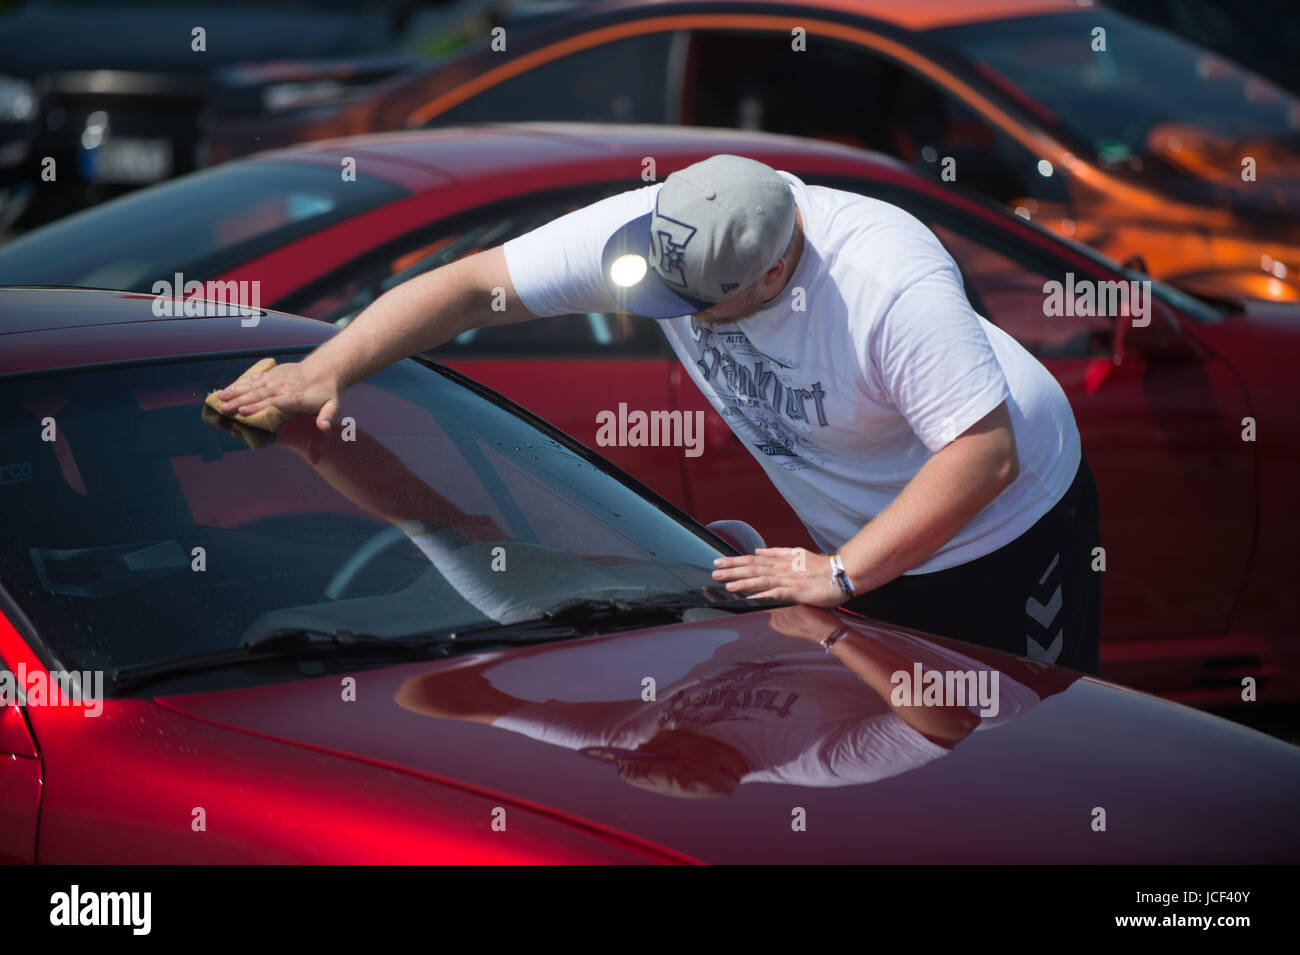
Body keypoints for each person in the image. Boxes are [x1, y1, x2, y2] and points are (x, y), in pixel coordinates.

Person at [216, 153, 1101, 674]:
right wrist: (322, 372)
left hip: (1002, 528)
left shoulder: (886, 282)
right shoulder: (664, 225)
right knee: (898, 782)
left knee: (1008, 758)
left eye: (702, 310)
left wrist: (837, 574)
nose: (671, 318)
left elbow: (982, 456)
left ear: (771, 273)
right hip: (857, 536)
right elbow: (475, 285)